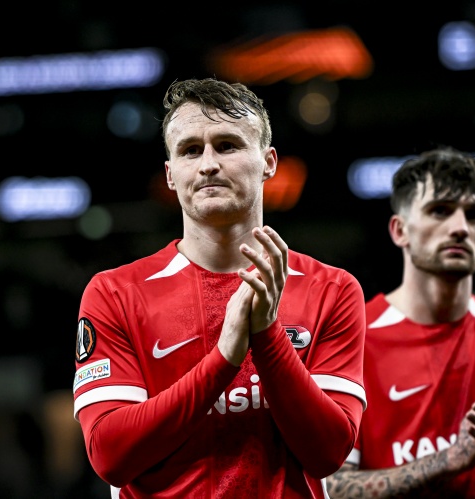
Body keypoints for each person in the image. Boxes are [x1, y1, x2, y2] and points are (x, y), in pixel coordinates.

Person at [72, 77, 368, 498]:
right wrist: (224, 360)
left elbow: (329, 453)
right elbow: (110, 456)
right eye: (190, 150)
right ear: (171, 174)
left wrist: (267, 336)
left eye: (227, 145)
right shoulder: (115, 292)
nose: (208, 163)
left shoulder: (333, 289)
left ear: (268, 162)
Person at [326, 146, 475, 498]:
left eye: (474, 215)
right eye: (440, 210)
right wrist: (448, 460)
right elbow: (327, 488)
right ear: (399, 230)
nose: (460, 228)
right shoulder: (351, 337)